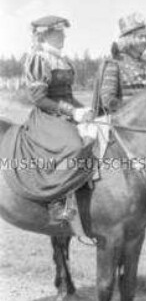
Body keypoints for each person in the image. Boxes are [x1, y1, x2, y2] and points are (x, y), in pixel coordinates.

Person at [3, 15, 97, 222]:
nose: (63, 35)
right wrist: (72, 112)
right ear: (45, 35)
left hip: (66, 112)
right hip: (47, 116)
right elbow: (38, 98)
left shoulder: (62, 59)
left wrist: (87, 111)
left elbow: (68, 94)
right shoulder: (38, 59)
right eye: (58, 32)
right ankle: (57, 201)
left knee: (99, 133)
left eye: (62, 32)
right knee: (72, 146)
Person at [93, 12, 146, 114]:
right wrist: (133, 109)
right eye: (140, 37)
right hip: (123, 124)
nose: (145, 40)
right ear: (128, 39)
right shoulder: (114, 64)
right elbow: (107, 99)